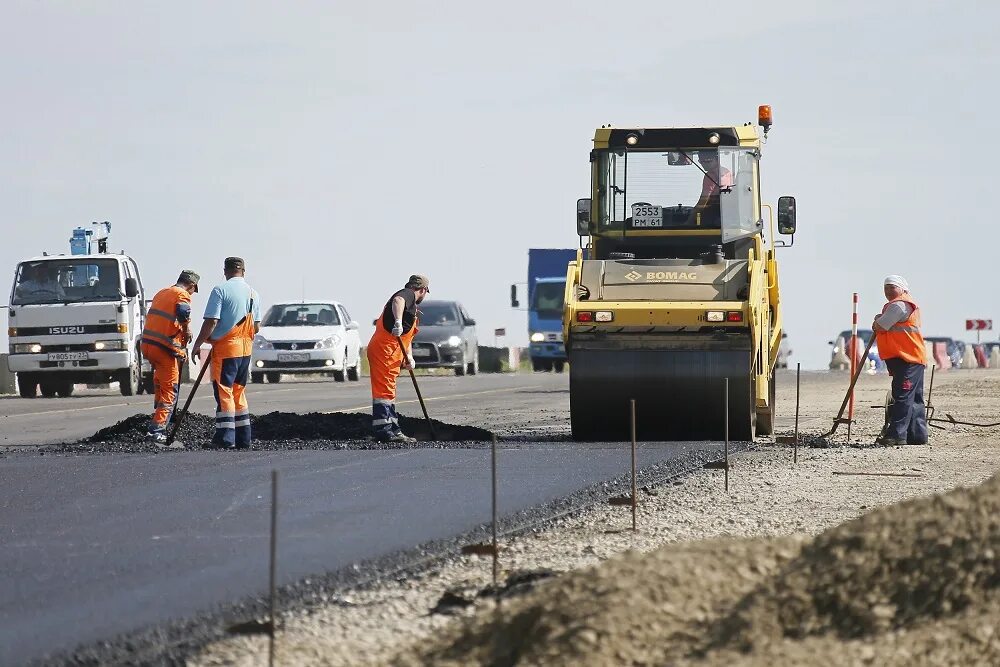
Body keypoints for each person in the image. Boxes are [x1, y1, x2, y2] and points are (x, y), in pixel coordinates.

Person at [191, 257, 261, 449]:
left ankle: (225, 438)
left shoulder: (220, 291)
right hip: (246, 351)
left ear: (225, 271)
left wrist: (198, 343)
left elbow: (211, 321)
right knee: (239, 392)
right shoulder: (253, 294)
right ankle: (243, 438)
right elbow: (256, 326)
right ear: (243, 271)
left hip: (226, 350)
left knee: (224, 392)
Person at [367, 275, 431, 442]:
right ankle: (384, 430)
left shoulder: (412, 308)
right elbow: (398, 300)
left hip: (393, 352)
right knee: (384, 392)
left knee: (389, 391)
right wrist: (397, 321)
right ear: (423, 290)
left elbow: (406, 338)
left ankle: (393, 429)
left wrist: (408, 356)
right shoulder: (408, 295)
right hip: (384, 350)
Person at [140, 270, 200, 444]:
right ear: (191, 285)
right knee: (170, 391)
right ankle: (156, 431)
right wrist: (187, 328)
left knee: (160, 385)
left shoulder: (162, 292)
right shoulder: (181, 294)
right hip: (165, 349)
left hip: (149, 346)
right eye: (193, 291)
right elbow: (183, 311)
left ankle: (158, 417)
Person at [872, 274, 928, 446]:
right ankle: (917, 435)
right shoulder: (900, 305)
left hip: (907, 358)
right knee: (914, 397)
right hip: (910, 358)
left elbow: (881, 325)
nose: (888, 291)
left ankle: (896, 434)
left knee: (902, 396)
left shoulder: (899, 305)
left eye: (892, 287)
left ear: (902, 288)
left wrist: (876, 321)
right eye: (886, 288)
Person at [688, 151, 734, 227]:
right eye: (701, 161)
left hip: (713, 216)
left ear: (717, 159)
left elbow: (703, 200)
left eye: (707, 161)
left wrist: (689, 220)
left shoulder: (711, 175)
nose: (703, 164)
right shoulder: (726, 172)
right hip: (727, 215)